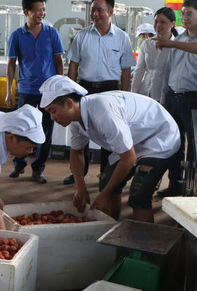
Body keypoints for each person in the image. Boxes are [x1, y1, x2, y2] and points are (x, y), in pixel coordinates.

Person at [40, 76, 180, 223]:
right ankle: (112, 229)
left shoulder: (103, 112)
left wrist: (104, 195)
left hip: (159, 138)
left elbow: (128, 158)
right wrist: (80, 188)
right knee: (107, 183)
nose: (52, 117)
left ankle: (144, 243)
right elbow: (77, 152)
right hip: (133, 140)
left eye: (53, 111)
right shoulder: (76, 120)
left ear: (69, 103)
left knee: (139, 195)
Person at [64, 0, 137, 185]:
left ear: (111, 12)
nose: (95, 14)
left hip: (110, 91)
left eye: (100, 10)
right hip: (84, 90)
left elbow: (126, 68)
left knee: (109, 132)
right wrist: (71, 91)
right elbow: (73, 66)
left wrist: (124, 92)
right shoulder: (82, 36)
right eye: (93, 10)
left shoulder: (122, 38)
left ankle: (106, 172)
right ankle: (78, 172)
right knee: (80, 131)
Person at [158, 0, 197, 197]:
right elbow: (169, 72)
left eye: (189, 13)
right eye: (182, 13)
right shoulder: (177, 40)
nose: (184, 18)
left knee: (195, 147)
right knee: (174, 143)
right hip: (173, 98)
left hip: (196, 100)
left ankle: (191, 189)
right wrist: (164, 98)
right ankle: (175, 183)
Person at [4, 0, 65, 183]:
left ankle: (38, 168)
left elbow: (58, 61)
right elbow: (11, 64)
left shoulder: (51, 33)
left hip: (48, 92)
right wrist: (9, 90)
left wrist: (59, 87)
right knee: (22, 128)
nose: (42, 13)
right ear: (27, 12)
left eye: (44, 10)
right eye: (38, 10)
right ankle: (19, 164)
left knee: (46, 130)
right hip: (26, 90)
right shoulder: (16, 36)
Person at [130, 9, 177, 102]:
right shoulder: (147, 44)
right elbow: (139, 70)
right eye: (156, 21)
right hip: (146, 93)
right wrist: (133, 93)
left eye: (162, 22)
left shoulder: (177, 45)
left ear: (172, 23)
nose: (158, 25)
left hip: (167, 96)